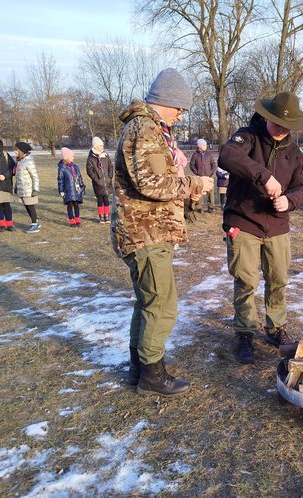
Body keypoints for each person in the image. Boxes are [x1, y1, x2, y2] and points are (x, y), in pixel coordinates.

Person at [112, 68, 213, 395]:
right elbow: (152, 183)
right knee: (162, 304)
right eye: (181, 109)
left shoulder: (147, 128)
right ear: (168, 102)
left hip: (149, 230)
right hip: (146, 232)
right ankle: (152, 376)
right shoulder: (145, 129)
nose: (182, 116)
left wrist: (185, 192)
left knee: (147, 302)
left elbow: (157, 181)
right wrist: (195, 183)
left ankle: (139, 367)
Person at [218, 90, 303, 364]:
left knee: (278, 279)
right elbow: (227, 156)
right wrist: (264, 175)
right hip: (243, 222)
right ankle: (245, 332)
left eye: (287, 126)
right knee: (246, 280)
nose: (281, 130)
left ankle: (275, 326)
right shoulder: (247, 137)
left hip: (278, 227)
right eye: (277, 123)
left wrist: (288, 201)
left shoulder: (295, 153)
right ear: (267, 117)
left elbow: (302, 188)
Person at [13, 142, 41, 233]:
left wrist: (35, 189)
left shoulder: (29, 161)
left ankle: (35, 224)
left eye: (16, 150)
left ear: (21, 151)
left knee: (30, 206)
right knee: (27, 206)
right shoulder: (20, 161)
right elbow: (18, 176)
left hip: (29, 189)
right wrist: (16, 186)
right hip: (22, 189)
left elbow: (35, 176)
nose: (15, 152)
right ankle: (35, 222)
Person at [86, 137, 114, 224]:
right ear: (95, 147)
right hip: (98, 184)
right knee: (100, 200)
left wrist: (110, 176)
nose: (102, 147)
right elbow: (89, 170)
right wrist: (96, 179)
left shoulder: (105, 155)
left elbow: (110, 166)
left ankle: (107, 215)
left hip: (107, 182)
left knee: (106, 199)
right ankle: (101, 216)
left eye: (102, 146)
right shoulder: (91, 158)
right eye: (100, 146)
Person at [57, 147, 85, 228]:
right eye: (71, 157)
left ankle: (77, 219)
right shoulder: (62, 168)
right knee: (70, 205)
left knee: (76, 204)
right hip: (68, 190)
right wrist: (61, 190)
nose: (73, 158)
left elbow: (79, 177)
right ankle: (72, 220)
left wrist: (82, 185)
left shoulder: (75, 166)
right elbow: (60, 179)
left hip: (76, 190)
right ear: (66, 158)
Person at [189, 138, 217, 212]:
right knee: (200, 192)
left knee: (211, 192)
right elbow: (191, 165)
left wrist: (211, 173)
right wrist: (197, 173)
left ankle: (211, 207)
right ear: (199, 146)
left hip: (209, 176)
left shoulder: (209, 154)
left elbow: (213, 164)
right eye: (203, 145)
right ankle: (199, 207)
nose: (205, 146)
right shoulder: (195, 155)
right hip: (200, 177)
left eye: (205, 145)